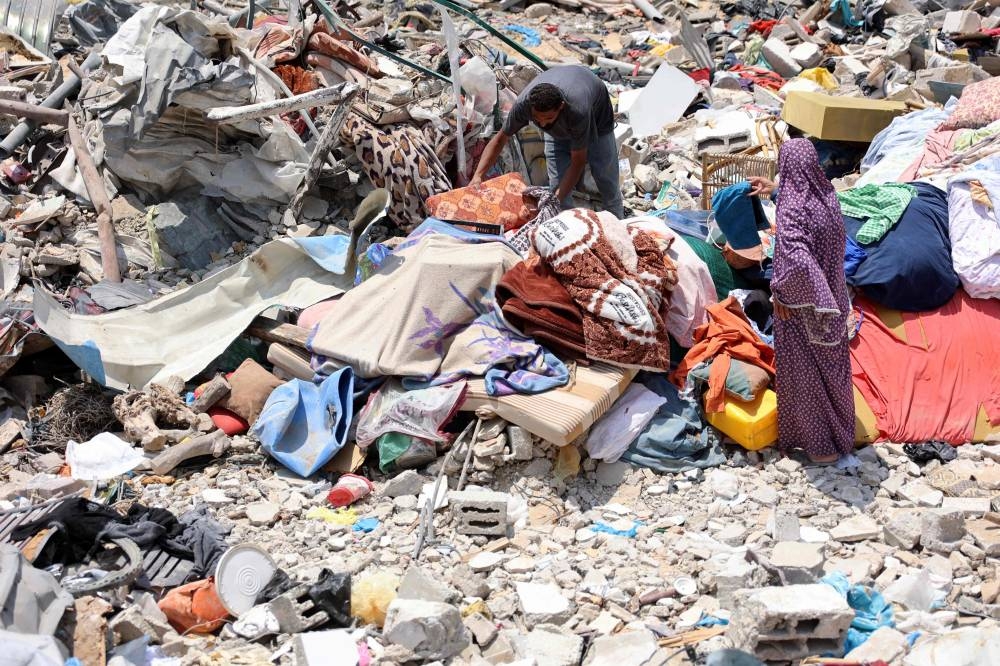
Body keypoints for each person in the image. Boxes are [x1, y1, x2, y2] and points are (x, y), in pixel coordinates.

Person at [747, 139, 854, 464]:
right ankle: (841, 437)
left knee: (806, 378)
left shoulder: (793, 207)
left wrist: (781, 291)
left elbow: (796, 255)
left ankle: (820, 448)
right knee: (832, 374)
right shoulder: (826, 197)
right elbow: (802, 213)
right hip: (834, 303)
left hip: (802, 309)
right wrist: (774, 189)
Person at [470, 65, 624, 218]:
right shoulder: (523, 105)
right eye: (537, 119)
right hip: (561, 123)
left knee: (606, 180)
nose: (543, 124)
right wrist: (478, 175)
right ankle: (567, 230)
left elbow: (578, 161)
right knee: (557, 184)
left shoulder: (578, 110)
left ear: (561, 107)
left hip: (598, 118)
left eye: (549, 118)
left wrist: (556, 198)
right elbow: (500, 139)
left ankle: (618, 223)